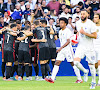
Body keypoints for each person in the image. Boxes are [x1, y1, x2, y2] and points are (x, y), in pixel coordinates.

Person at [45, 17, 82, 83]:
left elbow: (68, 41)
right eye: (60, 22)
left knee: (73, 63)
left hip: (68, 50)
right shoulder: (60, 31)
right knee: (57, 62)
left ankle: (79, 78)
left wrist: (60, 48)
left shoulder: (68, 31)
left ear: (65, 24)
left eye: (62, 23)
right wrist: (61, 48)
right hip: (62, 50)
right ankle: (52, 78)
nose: (60, 24)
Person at [74, 9, 97, 89]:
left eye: (84, 14)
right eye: (81, 14)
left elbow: (95, 36)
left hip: (89, 47)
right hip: (81, 46)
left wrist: (85, 33)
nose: (82, 15)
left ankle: (93, 82)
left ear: (87, 15)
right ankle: (85, 71)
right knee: (76, 62)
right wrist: (75, 39)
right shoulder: (77, 23)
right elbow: (78, 33)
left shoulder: (91, 24)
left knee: (92, 66)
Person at [93, 13, 100, 86]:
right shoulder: (92, 27)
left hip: (99, 47)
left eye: (96, 17)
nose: (95, 19)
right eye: (94, 17)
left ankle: (99, 82)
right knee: (94, 65)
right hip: (92, 47)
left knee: (99, 63)